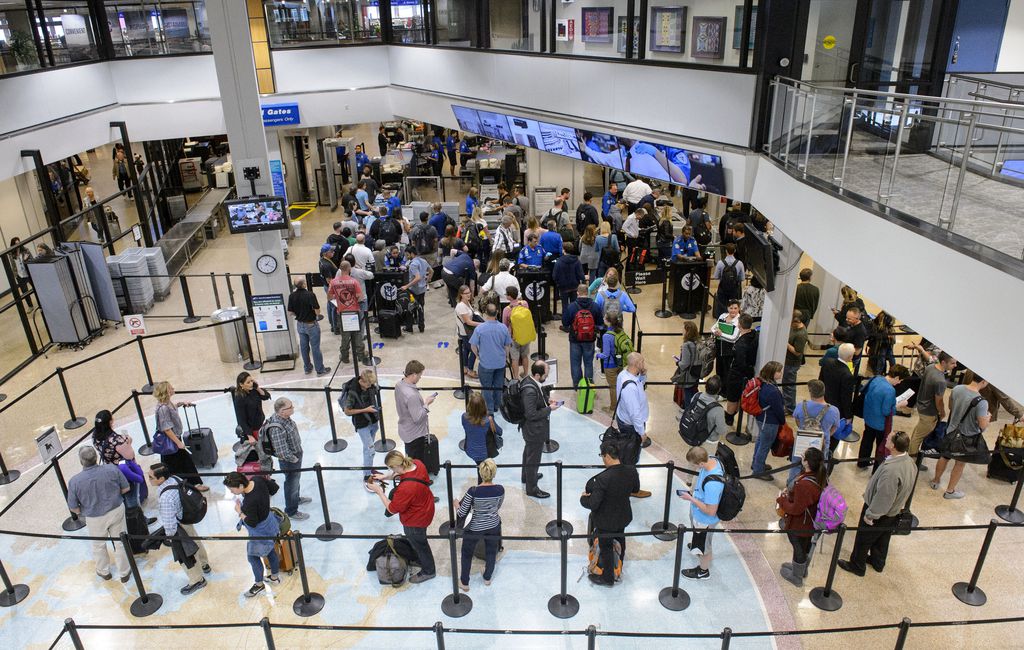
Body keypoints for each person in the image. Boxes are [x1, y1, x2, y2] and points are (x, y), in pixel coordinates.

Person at [839, 431, 916, 576]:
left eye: (888, 439)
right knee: (882, 538)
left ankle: (857, 565)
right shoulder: (909, 462)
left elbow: (884, 497)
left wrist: (871, 514)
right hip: (893, 511)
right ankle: (877, 561)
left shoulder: (891, 471)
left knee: (864, 538)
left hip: (879, 511)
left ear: (893, 446)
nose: (886, 439)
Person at [368, 450, 436, 583]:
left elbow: (392, 508)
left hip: (415, 520)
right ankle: (419, 558)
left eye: (390, 468)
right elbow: (403, 473)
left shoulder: (406, 488)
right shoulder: (417, 463)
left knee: (420, 544)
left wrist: (379, 492)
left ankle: (429, 570)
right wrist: (385, 477)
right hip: (426, 506)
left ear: (395, 467)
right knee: (418, 541)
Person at [67, 446, 131, 582]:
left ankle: (104, 571)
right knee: (121, 542)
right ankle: (124, 572)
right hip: (116, 510)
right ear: (96, 457)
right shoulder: (112, 469)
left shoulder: (75, 481)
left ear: (81, 461)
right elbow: (126, 488)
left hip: (94, 517)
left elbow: (74, 508)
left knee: (98, 545)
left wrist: (84, 511)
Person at [581, 439, 640, 586]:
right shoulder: (631, 471)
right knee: (620, 538)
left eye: (602, 456)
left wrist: (583, 499)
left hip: (606, 520)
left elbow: (594, 504)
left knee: (606, 547)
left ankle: (608, 578)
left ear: (607, 455)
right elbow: (635, 490)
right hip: (623, 515)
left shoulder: (603, 478)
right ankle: (619, 566)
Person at [148, 462, 211, 594]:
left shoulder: (165, 497)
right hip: (187, 518)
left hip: (179, 526)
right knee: (196, 541)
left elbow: (169, 522)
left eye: (151, 477)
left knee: (186, 554)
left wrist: (171, 538)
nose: (149, 480)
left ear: (161, 479)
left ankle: (197, 580)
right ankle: (205, 564)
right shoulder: (175, 478)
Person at [930, 373, 990, 499]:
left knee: (944, 457)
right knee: (960, 464)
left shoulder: (957, 389)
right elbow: (983, 425)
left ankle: (935, 481)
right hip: (967, 437)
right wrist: (988, 417)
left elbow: (951, 407)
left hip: (951, 430)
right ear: (983, 382)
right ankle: (950, 491)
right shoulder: (982, 402)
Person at [223, 472, 281, 597]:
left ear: (240, 485)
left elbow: (251, 522)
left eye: (232, 489)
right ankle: (274, 577)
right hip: (270, 522)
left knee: (253, 557)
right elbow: (274, 488)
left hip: (260, 530)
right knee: (270, 551)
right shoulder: (257, 479)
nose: (231, 492)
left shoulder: (249, 501)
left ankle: (259, 584)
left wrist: (239, 512)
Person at [776, 446, 826, 586]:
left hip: (800, 523)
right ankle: (800, 568)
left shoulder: (805, 485)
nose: (801, 457)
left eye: (803, 456)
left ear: (806, 462)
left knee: (798, 546)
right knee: (803, 546)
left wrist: (782, 500)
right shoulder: (819, 476)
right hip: (810, 521)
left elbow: (796, 509)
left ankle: (797, 576)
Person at [456, 458, 504, 591]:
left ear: (480, 473)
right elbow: (498, 506)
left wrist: (456, 505)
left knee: (466, 552)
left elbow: (462, 512)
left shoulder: (473, 491)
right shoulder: (500, 489)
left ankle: (464, 582)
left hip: (475, 527)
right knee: (491, 551)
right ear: (494, 473)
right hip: (494, 525)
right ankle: (487, 577)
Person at [679, 445, 724, 580]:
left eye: (695, 465)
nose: (696, 468)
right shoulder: (712, 459)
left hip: (705, 520)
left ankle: (703, 571)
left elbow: (711, 511)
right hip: (699, 514)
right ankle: (697, 545)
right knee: (700, 540)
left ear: (701, 463)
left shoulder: (713, 484)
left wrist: (691, 499)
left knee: (705, 546)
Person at [152, 381, 206, 491]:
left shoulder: (167, 403)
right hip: (172, 441)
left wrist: (181, 403)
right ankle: (194, 484)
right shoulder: (163, 408)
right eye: (170, 387)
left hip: (172, 440)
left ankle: (179, 485)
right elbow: (166, 429)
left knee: (173, 465)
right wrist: (178, 443)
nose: (173, 388)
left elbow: (172, 408)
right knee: (184, 463)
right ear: (166, 391)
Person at [263, 397, 310, 521]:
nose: (293, 408)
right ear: (282, 411)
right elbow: (282, 451)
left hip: (295, 455)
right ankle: (291, 510)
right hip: (290, 461)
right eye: (290, 407)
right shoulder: (276, 428)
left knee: (296, 480)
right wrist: (294, 459)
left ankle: (296, 499)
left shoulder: (285, 418)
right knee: (291, 483)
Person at [521, 360, 561, 498]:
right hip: (533, 430)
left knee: (528, 452)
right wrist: (549, 409)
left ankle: (526, 477)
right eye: (546, 374)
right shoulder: (530, 391)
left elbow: (537, 400)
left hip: (531, 430)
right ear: (538, 375)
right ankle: (531, 488)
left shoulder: (530, 381)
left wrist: (546, 401)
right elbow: (531, 414)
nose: (547, 376)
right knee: (533, 458)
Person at [788, 380, 840, 486]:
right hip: (821, 445)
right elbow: (834, 428)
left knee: (796, 467)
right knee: (820, 469)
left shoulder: (801, 406)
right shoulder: (834, 411)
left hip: (802, 443)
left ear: (810, 392)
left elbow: (797, 421)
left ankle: (791, 488)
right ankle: (816, 489)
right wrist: (825, 435)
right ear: (824, 391)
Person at [614, 353, 652, 498]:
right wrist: (641, 433)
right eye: (642, 361)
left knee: (626, 454)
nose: (644, 362)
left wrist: (643, 376)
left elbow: (639, 383)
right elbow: (635, 413)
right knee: (631, 458)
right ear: (636, 364)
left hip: (624, 419)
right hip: (631, 426)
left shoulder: (624, 374)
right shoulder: (630, 388)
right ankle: (632, 489)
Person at [860, 365, 911, 470]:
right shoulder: (890, 390)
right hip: (880, 424)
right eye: (900, 380)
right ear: (896, 377)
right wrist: (898, 405)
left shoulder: (876, 378)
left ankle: (862, 462)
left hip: (869, 417)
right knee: (881, 446)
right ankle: (877, 469)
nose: (899, 382)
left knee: (867, 440)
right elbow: (886, 411)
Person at [909, 352, 957, 457]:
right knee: (918, 437)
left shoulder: (930, 367)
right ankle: (912, 459)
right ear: (944, 362)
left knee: (917, 432)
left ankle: (911, 453)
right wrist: (942, 412)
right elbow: (938, 401)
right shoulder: (940, 381)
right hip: (929, 412)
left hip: (921, 405)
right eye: (952, 363)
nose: (955, 366)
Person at [470, 303, 512, 414]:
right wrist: (505, 357)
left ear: (485, 313)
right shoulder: (503, 328)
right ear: (497, 312)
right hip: (500, 363)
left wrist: (478, 355)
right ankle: (497, 405)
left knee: (486, 387)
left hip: (485, 364)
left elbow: (473, 345)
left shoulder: (480, 329)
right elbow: (507, 346)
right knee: (498, 385)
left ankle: (489, 409)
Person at [395, 360, 436, 470]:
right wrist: (427, 404)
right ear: (413, 375)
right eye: (419, 375)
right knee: (417, 464)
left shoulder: (399, 385)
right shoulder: (411, 395)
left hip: (405, 429)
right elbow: (417, 418)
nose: (420, 377)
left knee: (411, 459)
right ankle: (419, 481)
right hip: (415, 435)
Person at [343, 369, 381, 487]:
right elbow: (347, 411)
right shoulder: (353, 392)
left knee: (367, 449)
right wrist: (366, 410)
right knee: (371, 451)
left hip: (373, 421)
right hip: (362, 424)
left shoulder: (370, 386)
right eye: (368, 384)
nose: (370, 386)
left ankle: (368, 470)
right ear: (362, 381)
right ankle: (366, 477)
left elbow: (374, 390)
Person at [563, 284, 602, 395]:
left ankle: (578, 386)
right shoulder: (595, 306)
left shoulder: (572, 307)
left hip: (575, 340)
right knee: (588, 363)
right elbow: (600, 323)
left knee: (575, 363)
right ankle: (588, 385)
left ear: (577, 293)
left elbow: (565, 322)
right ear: (588, 292)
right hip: (590, 340)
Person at [819, 343, 856, 457]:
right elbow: (846, 398)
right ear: (850, 357)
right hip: (837, 411)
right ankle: (826, 458)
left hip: (823, 404)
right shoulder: (847, 375)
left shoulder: (827, 362)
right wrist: (848, 416)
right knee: (833, 437)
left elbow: (820, 382)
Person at [287, 278, 331, 376]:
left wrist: (299, 315)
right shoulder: (310, 295)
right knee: (315, 348)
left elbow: (290, 312)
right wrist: (314, 315)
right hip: (311, 324)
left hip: (300, 324)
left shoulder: (292, 296)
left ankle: (307, 368)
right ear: (303, 285)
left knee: (304, 347)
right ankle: (320, 370)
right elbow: (317, 310)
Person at [329, 261, 370, 365]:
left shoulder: (333, 282)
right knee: (357, 334)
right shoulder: (354, 282)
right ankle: (360, 355)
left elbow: (329, 297)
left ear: (340, 269)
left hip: (342, 312)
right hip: (354, 311)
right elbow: (360, 297)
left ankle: (345, 357)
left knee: (345, 336)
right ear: (349, 269)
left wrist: (338, 298)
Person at [750, 361, 785, 480]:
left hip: (761, 419)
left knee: (760, 441)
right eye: (779, 371)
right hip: (769, 422)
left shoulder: (763, 384)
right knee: (764, 446)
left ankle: (756, 464)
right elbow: (779, 410)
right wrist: (783, 421)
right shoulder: (773, 391)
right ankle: (758, 471)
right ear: (772, 373)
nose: (781, 373)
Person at [724, 314, 758, 426]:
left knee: (732, 398)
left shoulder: (741, 345)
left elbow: (740, 363)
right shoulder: (754, 335)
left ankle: (728, 418)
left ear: (739, 325)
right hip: (747, 373)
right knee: (738, 397)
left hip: (737, 375)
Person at [596, 314, 626, 415]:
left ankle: (613, 407)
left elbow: (606, 354)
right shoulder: (620, 330)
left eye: (604, 317)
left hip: (610, 364)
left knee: (613, 386)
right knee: (619, 385)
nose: (603, 318)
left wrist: (598, 355)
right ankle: (621, 405)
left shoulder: (607, 336)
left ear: (608, 321)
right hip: (620, 362)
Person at [501, 286, 532, 379]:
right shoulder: (524, 303)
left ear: (509, 297)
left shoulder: (507, 309)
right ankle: (526, 373)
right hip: (525, 334)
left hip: (514, 337)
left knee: (515, 358)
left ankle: (515, 378)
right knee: (525, 355)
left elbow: (505, 325)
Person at [783, 311, 808, 414]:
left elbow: (797, 352)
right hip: (787, 361)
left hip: (792, 363)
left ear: (796, 321)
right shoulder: (794, 328)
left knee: (789, 386)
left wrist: (786, 343)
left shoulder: (801, 334)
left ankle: (790, 408)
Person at [552, 243, 585, 317]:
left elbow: (555, 275)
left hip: (563, 287)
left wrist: (558, 283)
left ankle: (566, 323)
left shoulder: (559, 262)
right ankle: (575, 321)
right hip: (574, 286)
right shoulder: (576, 260)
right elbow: (581, 274)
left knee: (565, 306)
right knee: (574, 305)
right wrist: (583, 283)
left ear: (564, 250)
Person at [674, 321, 701, 408]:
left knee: (688, 393)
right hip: (696, 372)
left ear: (687, 331)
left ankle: (688, 413)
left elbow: (684, 364)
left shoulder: (686, 345)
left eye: (683, 329)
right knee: (694, 391)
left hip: (688, 375)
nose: (682, 330)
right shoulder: (698, 341)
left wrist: (678, 362)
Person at [712, 299, 742, 379]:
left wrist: (720, 334)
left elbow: (734, 338)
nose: (733, 310)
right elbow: (713, 328)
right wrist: (716, 331)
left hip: (729, 352)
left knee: (727, 372)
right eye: (731, 308)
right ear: (727, 308)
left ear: (739, 308)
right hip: (719, 349)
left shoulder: (739, 320)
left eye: (735, 308)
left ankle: (725, 390)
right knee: (718, 370)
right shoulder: (723, 316)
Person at [455, 285, 479, 379]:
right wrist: (482, 324)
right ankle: (470, 370)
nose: (469, 294)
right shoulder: (461, 306)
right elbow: (468, 322)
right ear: (461, 294)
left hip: (466, 331)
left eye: (469, 292)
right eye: (466, 293)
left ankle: (465, 368)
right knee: (474, 350)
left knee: (466, 350)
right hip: (465, 333)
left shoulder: (467, 303)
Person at [867, 311, 897, 376]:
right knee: (882, 361)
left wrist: (890, 337)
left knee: (890, 360)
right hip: (881, 346)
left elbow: (893, 339)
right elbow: (875, 335)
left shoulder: (887, 322)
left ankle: (893, 373)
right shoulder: (876, 323)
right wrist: (887, 336)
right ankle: (879, 375)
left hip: (886, 345)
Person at [9, 238, 32, 308]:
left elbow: (32, 260)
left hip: (28, 273)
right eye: (16, 244)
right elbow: (13, 266)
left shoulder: (26, 250)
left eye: (19, 243)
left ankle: (41, 300)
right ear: (13, 245)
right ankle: (30, 306)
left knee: (36, 287)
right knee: (25, 292)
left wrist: (25, 260)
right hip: (19, 275)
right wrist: (15, 275)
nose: (18, 245)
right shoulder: (11, 254)